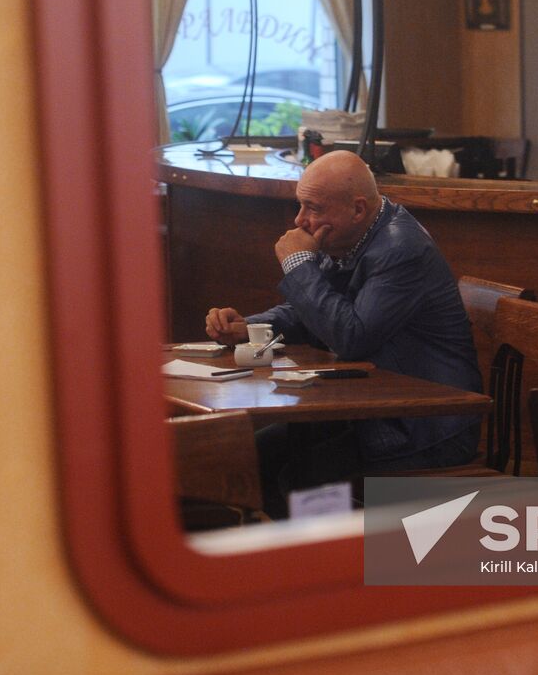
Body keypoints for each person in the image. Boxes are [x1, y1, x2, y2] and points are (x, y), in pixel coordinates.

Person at [204, 151, 480, 516]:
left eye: (312, 207)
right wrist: (250, 327)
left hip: (424, 427)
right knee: (253, 455)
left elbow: (351, 335)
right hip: (374, 415)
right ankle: (298, 561)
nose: (300, 220)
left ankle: (329, 564)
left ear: (358, 209)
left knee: (295, 478)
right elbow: (321, 311)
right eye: (300, 205)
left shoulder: (401, 249)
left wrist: (297, 263)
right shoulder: (353, 234)